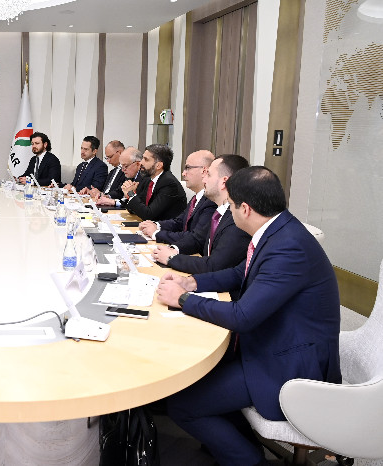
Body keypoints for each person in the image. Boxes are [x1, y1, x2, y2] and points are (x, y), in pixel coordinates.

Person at [157, 166, 341, 466]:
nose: (229, 212)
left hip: (289, 363)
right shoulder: (278, 229)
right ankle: (238, 448)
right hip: (271, 341)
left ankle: (249, 461)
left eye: (230, 206)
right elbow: (238, 273)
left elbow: (242, 316)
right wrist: (192, 283)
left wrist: (182, 299)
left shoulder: (289, 247)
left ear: (245, 208)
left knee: (182, 405)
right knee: (196, 378)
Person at [152, 154, 251, 276]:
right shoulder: (221, 212)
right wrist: (172, 249)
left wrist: (172, 258)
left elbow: (214, 265)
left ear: (224, 182)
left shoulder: (236, 219)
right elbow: (198, 240)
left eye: (209, 175)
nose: (204, 180)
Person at [139, 150, 216, 249]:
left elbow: (195, 238)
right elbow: (179, 222)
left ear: (204, 171)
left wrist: (156, 233)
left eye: (188, 168)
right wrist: (156, 225)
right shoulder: (196, 198)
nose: (183, 173)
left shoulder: (211, 201)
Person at [122, 144, 187, 221]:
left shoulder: (169, 184)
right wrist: (128, 194)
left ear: (158, 165)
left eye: (146, 159)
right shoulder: (148, 180)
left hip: (164, 227)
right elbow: (135, 210)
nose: (141, 162)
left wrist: (131, 194)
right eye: (142, 158)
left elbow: (148, 215)